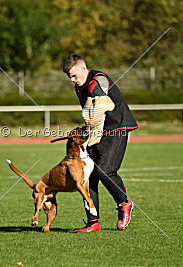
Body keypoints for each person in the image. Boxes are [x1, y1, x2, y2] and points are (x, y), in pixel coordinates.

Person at [63, 53, 139, 232]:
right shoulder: (80, 86)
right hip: (98, 132)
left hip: (117, 128)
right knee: (88, 177)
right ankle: (93, 222)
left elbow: (100, 101)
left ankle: (124, 203)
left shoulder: (98, 79)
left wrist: (92, 127)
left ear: (84, 68)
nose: (73, 80)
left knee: (105, 170)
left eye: (75, 75)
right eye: (70, 77)